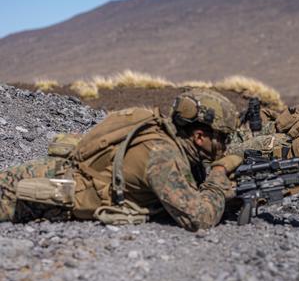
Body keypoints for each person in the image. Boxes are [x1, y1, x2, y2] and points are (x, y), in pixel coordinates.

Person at [0, 88, 242, 231]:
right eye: (222, 138)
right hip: (37, 193)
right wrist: (218, 176)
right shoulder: (162, 153)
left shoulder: (161, 133)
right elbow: (198, 218)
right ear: (200, 136)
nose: (225, 145)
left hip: (51, 175)